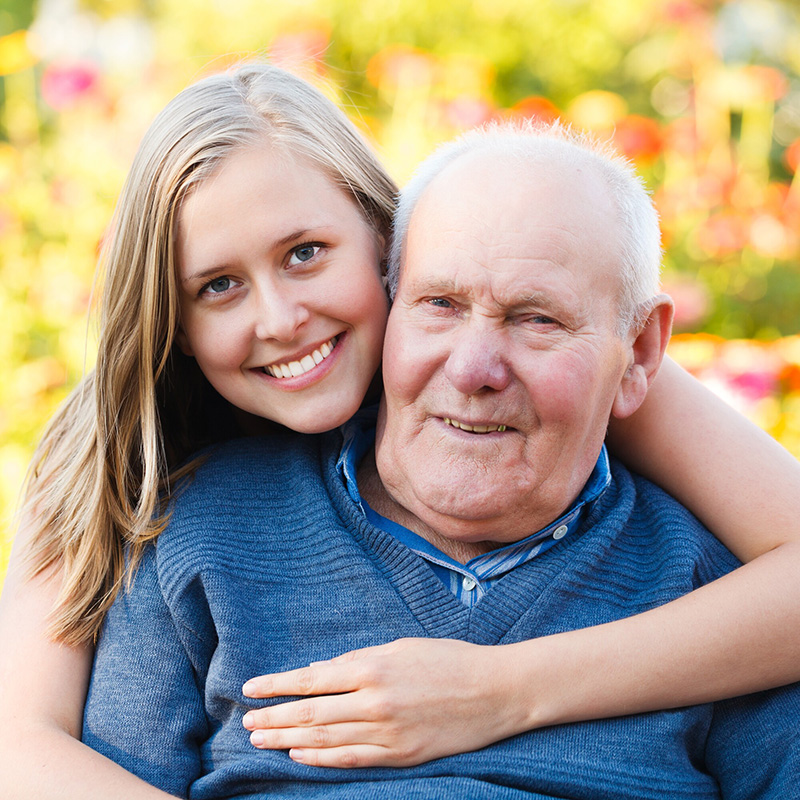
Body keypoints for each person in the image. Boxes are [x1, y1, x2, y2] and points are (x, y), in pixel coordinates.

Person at [1, 63, 800, 799]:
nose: (280, 320)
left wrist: (500, 691)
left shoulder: (605, 387)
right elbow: (18, 745)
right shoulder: (142, 483)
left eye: (306, 253)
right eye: (217, 286)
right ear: (170, 322)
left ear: (383, 245)